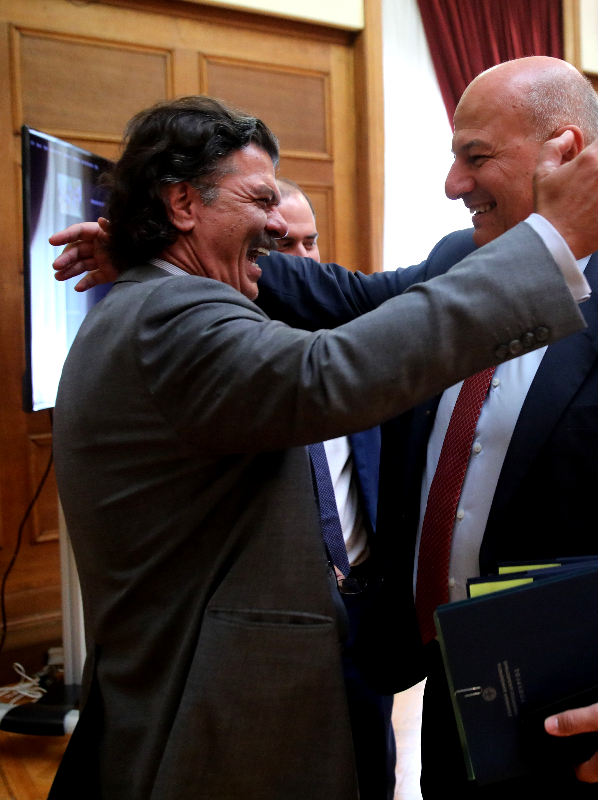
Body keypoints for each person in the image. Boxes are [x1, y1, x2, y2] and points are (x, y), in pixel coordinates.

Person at [47, 93, 598, 800]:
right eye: (260, 200)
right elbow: (329, 373)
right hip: (208, 715)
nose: (278, 223)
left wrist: (145, 241)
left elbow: (362, 299)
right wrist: (554, 240)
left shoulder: (153, 299)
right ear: (184, 204)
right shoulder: (171, 316)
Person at [276, 177, 398, 799]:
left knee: (370, 773)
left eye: (311, 242)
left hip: (362, 611)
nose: (303, 261)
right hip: (280, 628)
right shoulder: (232, 355)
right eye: (282, 246)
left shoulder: (355, 342)